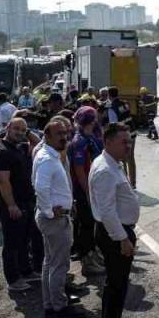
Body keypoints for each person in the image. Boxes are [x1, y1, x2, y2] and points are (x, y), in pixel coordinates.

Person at [89, 122, 141, 318]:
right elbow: (107, 211)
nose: (128, 146)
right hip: (115, 233)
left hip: (118, 231)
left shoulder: (112, 164)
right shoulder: (105, 170)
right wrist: (123, 239)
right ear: (107, 142)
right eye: (123, 142)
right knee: (116, 287)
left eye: (129, 141)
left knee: (118, 286)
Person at [33, 118, 82, 318]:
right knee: (59, 265)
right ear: (47, 136)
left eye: (65, 133)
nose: (64, 137)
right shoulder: (47, 159)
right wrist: (50, 212)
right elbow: (40, 187)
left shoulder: (49, 155)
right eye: (59, 134)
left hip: (52, 217)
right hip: (53, 220)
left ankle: (51, 304)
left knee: (50, 263)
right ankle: (58, 307)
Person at [0, 117, 42, 292]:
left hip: (26, 201)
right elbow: (3, 182)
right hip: (11, 204)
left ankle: (26, 272)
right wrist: (12, 205)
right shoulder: (1, 151)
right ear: (8, 127)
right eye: (17, 129)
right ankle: (13, 280)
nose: (20, 133)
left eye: (23, 130)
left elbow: (39, 143)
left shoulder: (20, 147)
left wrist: (26, 131)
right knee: (12, 243)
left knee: (23, 240)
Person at [68, 107, 104, 277]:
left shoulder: (90, 138)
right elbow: (79, 170)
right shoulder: (80, 141)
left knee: (93, 224)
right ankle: (87, 261)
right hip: (84, 191)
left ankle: (92, 255)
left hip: (94, 188)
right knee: (87, 225)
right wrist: (88, 193)